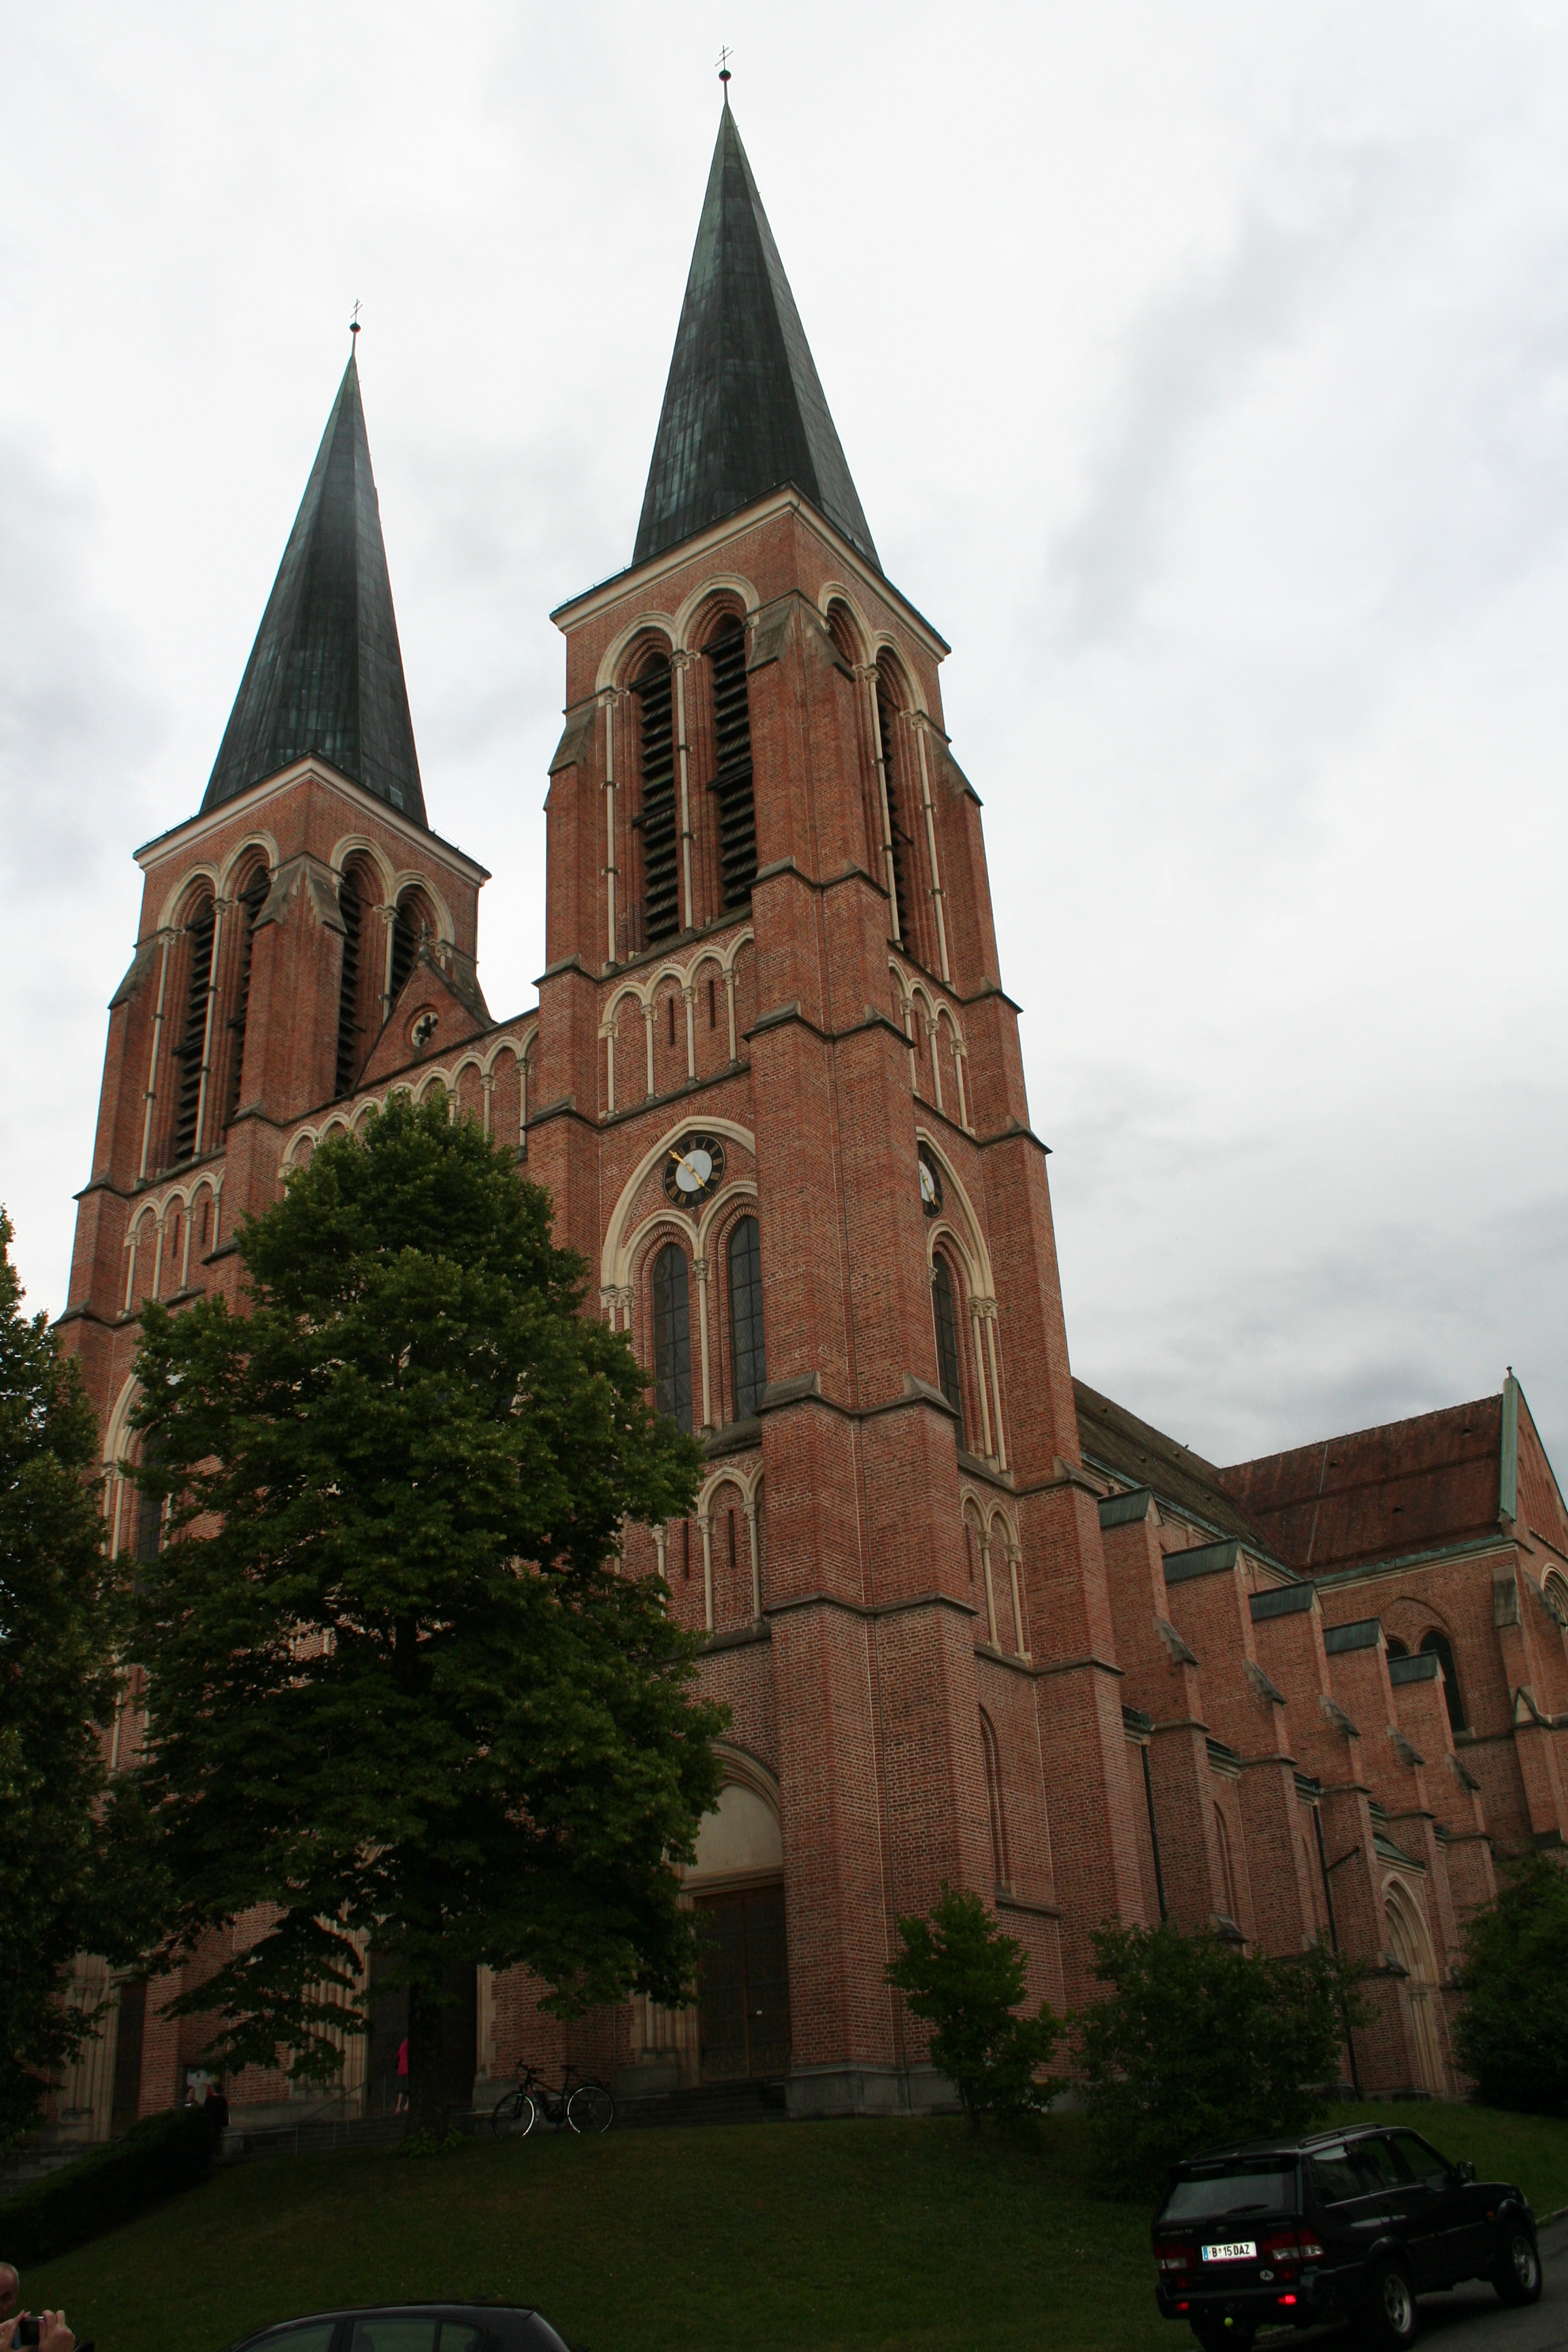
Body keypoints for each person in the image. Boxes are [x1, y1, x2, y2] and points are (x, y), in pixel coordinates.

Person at [203, 2078, 230, 2142]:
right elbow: (225, 2112)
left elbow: (205, 2110)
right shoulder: (223, 2100)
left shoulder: (209, 2100)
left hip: (211, 2123)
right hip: (220, 2123)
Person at [395, 2036, 409, 2112]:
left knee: (401, 2089)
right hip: (407, 2068)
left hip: (401, 2069)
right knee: (408, 2087)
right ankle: (407, 2105)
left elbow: (397, 2056)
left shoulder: (402, 2045)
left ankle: (398, 2107)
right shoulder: (408, 2044)